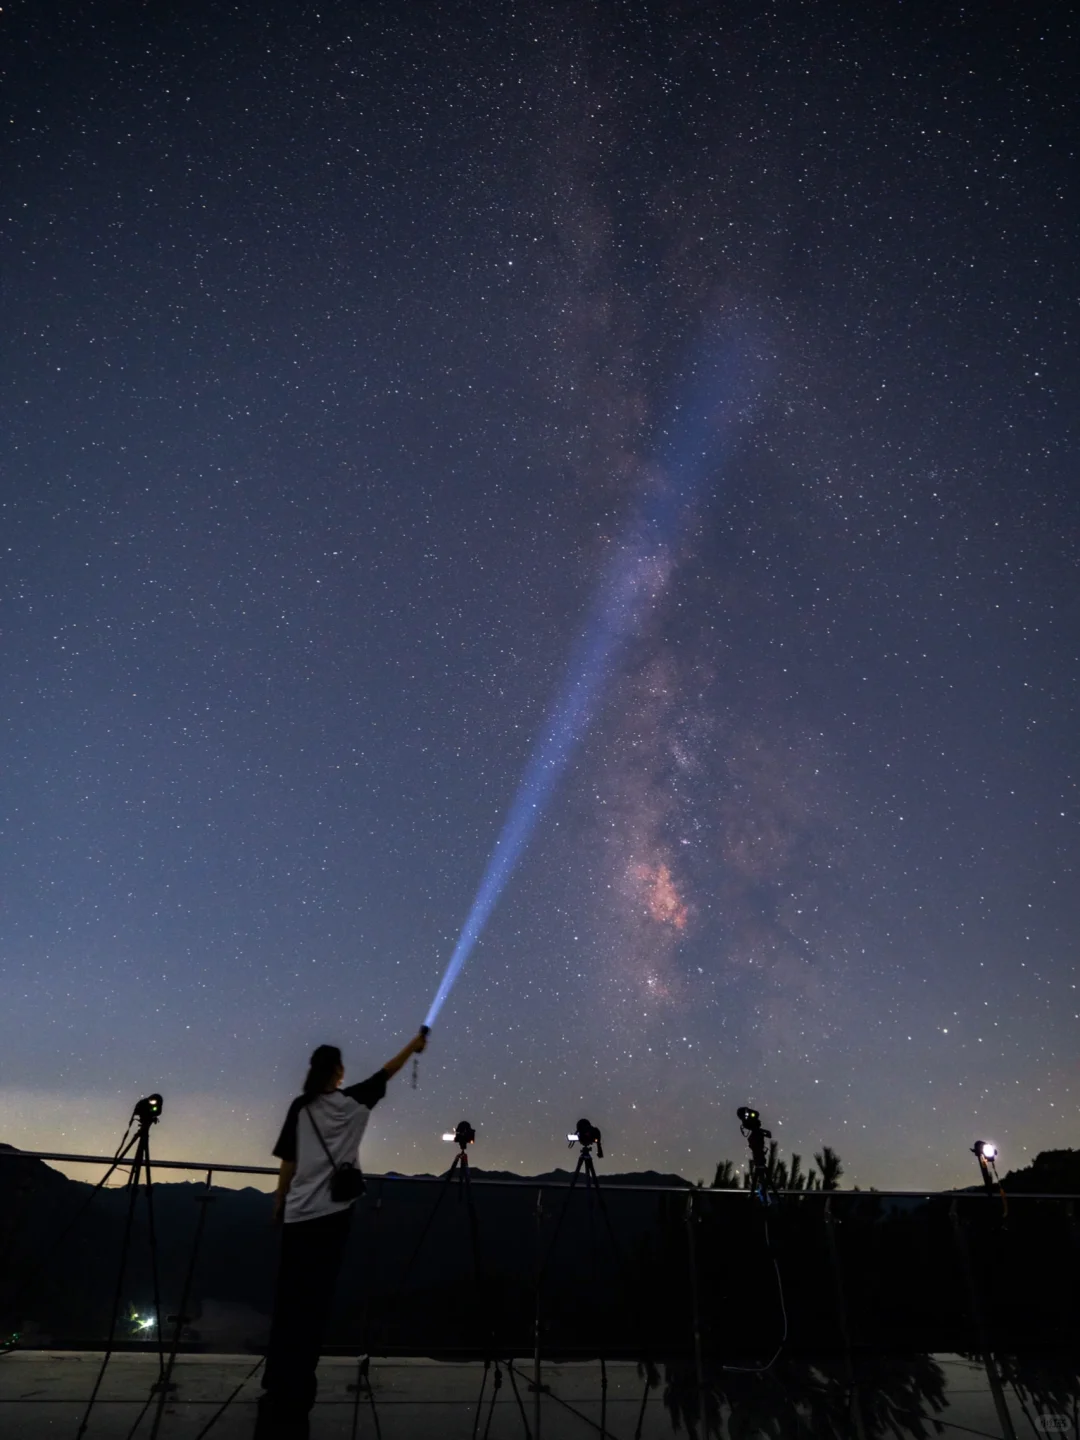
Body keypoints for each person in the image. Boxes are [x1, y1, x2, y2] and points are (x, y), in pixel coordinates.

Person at [254, 1027, 428, 1438]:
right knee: (316, 1303)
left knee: (289, 1300)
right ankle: (302, 1381)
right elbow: (386, 1072)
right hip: (333, 1216)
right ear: (339, 1072)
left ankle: (277, 1379)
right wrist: (414, 1046)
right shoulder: (353, 1104)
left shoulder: (301, 1107)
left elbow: (288, 1161)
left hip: (299, 1215)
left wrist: (279, 1201)